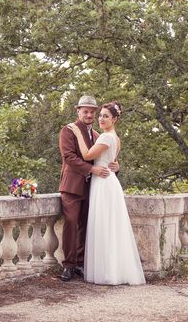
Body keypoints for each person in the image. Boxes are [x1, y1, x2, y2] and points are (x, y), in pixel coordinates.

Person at [67, 101, 145, 285]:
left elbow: (86, 156)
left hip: (103, 183)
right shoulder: (115, 138)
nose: (101, 119)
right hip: (108, 181)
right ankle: (112, 270)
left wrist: (77, 133)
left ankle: (107, 273)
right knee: (109, 227)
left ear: (114, 119)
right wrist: (116, 166)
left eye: (105, 116)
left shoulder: (105, 137)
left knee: (104, 227)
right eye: (100, 115)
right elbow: (112, 161)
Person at [58, 95, 119, 282]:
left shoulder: (97, 135)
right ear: (78, 111)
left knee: (87, 226)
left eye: (92, 112)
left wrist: (116, 166)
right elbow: (69, 157)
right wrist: (91, 169)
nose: (89, 114)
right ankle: (68, 265)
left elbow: (104, 157)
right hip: (72, 186)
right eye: (85, 111)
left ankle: (80, 263)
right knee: (70, 222)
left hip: (92, 187)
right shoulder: (68, 130)